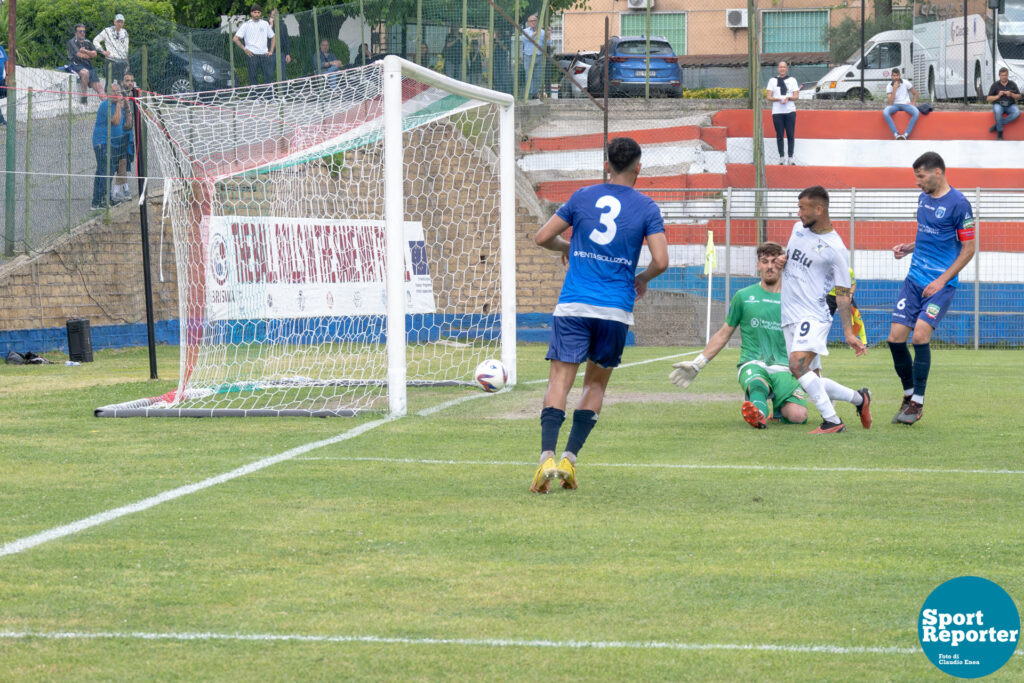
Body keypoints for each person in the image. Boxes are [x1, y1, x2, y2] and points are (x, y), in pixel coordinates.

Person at [530, 137, 669, 493]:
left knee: (559, 382)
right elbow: (661, 261)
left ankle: (546, 457)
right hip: (614, 310)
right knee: (595, 384)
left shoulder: (581, 197)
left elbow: (542, 237)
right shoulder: (648, 207)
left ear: (607, 165)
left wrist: (568, 246)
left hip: (575, 304)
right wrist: (642, 279)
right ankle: (569, 460)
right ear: (639, 167)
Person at [669, 242, 809, 429]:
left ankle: (778, 407)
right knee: (758, 384)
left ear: (781, 265)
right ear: (758, 265)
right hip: (753, 363)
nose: (769, 266)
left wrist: (817, 382)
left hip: (784, 367)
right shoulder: (743, 296)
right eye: (764, 261)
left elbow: (806, 339)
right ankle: (757, 411)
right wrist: (698, 364)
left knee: (798, 416)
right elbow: (723, 334)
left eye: (774, 261)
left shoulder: (794, 299)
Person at [887, 152, 975, 425]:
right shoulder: (923, 198)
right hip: (914, 280)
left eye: (921, 176)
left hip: (941, 285)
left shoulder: (960, 204)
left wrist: (941, 281)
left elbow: (969, 249)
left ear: (938, 172)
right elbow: (927, 233)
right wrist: (908, 247)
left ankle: (918, 403)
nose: (917, 183)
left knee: (920, 337)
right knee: (895, 338)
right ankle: (909, 393)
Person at [775, 186, 869, 434]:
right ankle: (860, 399)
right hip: (789, 314)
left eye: (803, 209)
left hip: (813, 315)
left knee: (796, 366)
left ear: (819, 209)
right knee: (809, 380)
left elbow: (842, 293)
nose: (799, 214)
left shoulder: (835, 249)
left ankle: (832, 421)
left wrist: (849, 333)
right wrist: (782, 260)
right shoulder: (798, 229)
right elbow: (793, 260)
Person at [91, 83, 127, 210]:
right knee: (106, 170)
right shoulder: (106, 105)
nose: (117, 94)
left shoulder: (117, 106)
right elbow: (116, 121)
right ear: (108, 93)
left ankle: (99, 200)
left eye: (118, 92)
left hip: (112, 143)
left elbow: (125, 123)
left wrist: (123, 104)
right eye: (114, 92)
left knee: (104, 170)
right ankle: (103, 200)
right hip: (102, 143)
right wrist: (118, 103)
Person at [111, 73, 138, 204]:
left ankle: (120, 190)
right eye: (127, 80)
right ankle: (120, 191)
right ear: (122, 82)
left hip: (128, 133)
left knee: (124, 162)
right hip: (119, 133)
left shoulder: (136, 94)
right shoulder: (120, 96)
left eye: (132, 81)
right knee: (120, 162)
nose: (130, 83)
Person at [766, 61, 799, 165]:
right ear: (778, 69)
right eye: (780, 67)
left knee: (790, 134)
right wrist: (778, 99)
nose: (782, 69)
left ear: (787, 69)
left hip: (790, 111)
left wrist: (788, 98)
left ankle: (790, 157)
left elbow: (796, 96)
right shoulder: (772, 80)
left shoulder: (792, 80)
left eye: (784, 67)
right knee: (779, 135)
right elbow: (769, 96)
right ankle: (781, 157)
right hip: (777, 112)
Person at [233, 4, 275, 87]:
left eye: (258, 12)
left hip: (264, 55)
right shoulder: (246, 25)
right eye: (255, 12)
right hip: (252, 55)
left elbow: (273, 37)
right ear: (251, 13)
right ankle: (255, 99)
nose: (256, 14)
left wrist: (271, 51)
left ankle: (270, 98)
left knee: (269, 77)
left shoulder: (265, 24)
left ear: (261, 13)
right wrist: (245, 49)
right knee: (253, 78)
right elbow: (235, 38)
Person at [68, 24, 105, 105]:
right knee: (85, 73)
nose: (82, 33)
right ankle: (84, 96)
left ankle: (108, 109)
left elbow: (95, 54)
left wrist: (86, 52)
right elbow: (79, 55)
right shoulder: (71, 42)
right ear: (76, 33)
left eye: (84, 31)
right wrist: (89, 54)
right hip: (76, 65)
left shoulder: (87, 42)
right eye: (80, 31)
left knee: (100, 90)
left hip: (89, 66)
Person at [883, 67, 919, 140]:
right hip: (894, 105)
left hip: (905, 104)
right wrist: (894, 90)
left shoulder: (905, 82)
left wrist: (913, 103)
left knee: (916, 112)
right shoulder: (889, 86)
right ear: (891, 76)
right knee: (885, 112)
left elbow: (915, 93)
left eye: (897, 75)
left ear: (899, 75)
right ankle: (896, 134)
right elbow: (890, 103)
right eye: (894, 76)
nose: (895, 77)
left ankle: (905, 135)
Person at [986, 67, 1021, 140]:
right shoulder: (995, 85)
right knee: (998, 111)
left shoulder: (1012, 84)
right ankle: (1000, 133)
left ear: (1008, 75)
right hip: (998, 104)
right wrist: (998, 96)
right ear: (999, 75)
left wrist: (1011, 94)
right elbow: (988, 98)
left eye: (1005, 75)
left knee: (1017, 112)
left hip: (1010, 105)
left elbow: (1019, 96)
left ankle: (998, 125)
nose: (1004, 77)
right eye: (1002, 75)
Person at [93, 14, 130, 83]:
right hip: (110, 60)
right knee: (109, 83)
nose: (120, 24)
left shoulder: (125, 32)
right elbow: (95, 40)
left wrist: (127, 62)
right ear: (114, 22)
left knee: (121, 83)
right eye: (118, 21)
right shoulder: (107, 31)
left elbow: (126, 48)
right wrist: (102, 51)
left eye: (122, 22)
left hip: (122, 61)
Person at [520, 14, 547, 99]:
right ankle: (529, 93)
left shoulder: (543, 32)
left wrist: (548, 35)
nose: (533, 23)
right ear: (528, 23)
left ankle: (535, 93)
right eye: (531, 21)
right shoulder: (525, 31)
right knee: (529, 75)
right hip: (528, 56)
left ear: (537, 22)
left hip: (539, 56)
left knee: (538, 76)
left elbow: (547, 43)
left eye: (534, 21)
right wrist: (537, 32)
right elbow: (529, 38)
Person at [268, 9, 291, 78]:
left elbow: (286, 40)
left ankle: (282, 88)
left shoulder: (283, 25)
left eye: (277, 15)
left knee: (282, 75)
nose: (275, 17)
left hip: (281, 53)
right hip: (270, 54)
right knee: (269, 75)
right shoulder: (266, 25)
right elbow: (266, 38)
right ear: (270, 16)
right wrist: (271, 25)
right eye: (273, 15)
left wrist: (288, 54)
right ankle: (270, 89)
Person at [0, 41, 7, 126]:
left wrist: (7, 75)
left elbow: (6, 61)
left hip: (1, 79)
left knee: (5, 93)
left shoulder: (1, 49)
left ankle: (1, 120)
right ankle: (1, 120)